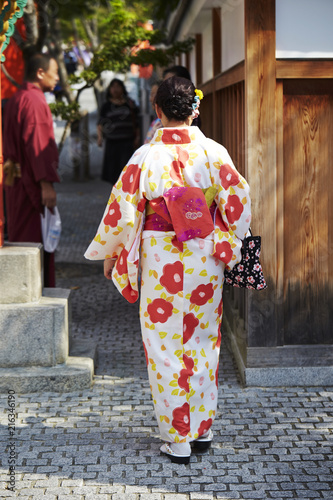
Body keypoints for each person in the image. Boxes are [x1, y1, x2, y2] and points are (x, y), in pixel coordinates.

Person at [85, 76, 251, 464]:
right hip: (205, 256)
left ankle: (177, 437)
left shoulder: (144, 157)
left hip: (161, 257)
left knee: (164, 347)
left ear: (157, 111)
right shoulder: (213, 153)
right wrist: (229, 242)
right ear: (195, 108)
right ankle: (202, 428)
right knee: (204, 340)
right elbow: (238, 201)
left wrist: (113, 254)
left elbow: (123, 211)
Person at [3, 53, 60, 287]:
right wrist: (46, 184)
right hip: (31, 183)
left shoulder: (19, 97)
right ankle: (33, 289)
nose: (57, 77)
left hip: (15, 180)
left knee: (21, 236)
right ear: (40, 73)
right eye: (54, 72)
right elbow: (38, 145)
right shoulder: (35, 101)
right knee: (33, 239)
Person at [97, 78, 140, 185]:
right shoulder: (106, 106)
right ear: (109, 89)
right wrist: (99, 137)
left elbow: (137, 123)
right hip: (112, 143)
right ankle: (115, 195)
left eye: (118, 86)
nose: (115, 89)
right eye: (113, 87)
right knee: (113, 171)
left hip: (127, 142)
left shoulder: (130, 104)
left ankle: (125, 194)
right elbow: (100, 123)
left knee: (126, 171)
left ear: (122, 88)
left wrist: (137, 138)